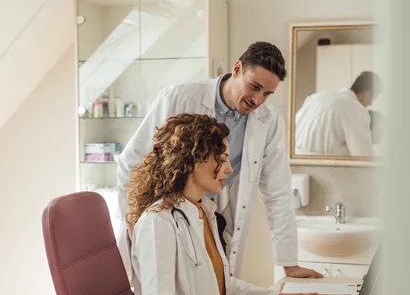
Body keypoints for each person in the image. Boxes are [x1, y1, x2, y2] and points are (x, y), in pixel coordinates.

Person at [126, 114, 328, 295]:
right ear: (192, 160)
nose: (228, 169)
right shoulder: (158, 221)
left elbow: (222, 285)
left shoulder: (204, 211)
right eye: (220, 160)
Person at [118, 41, 322, 282]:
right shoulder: (180, 97)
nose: (257, 100)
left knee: (216, 289)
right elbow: (132, 161)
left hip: (215, 219)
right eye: (254, 87)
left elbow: (278, 191)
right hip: (170, 214)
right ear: (237, 69)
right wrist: (133, 222)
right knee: (168, 290)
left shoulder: (269, 121)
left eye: (267, 94)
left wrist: (290, 264)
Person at [294, 71, 383, 156]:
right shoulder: (356, 109)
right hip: (320, 168)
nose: (370, 104)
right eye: (373, 99)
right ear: (368, 94)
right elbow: (363, 157)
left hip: (293, 163)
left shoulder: (315, 97)